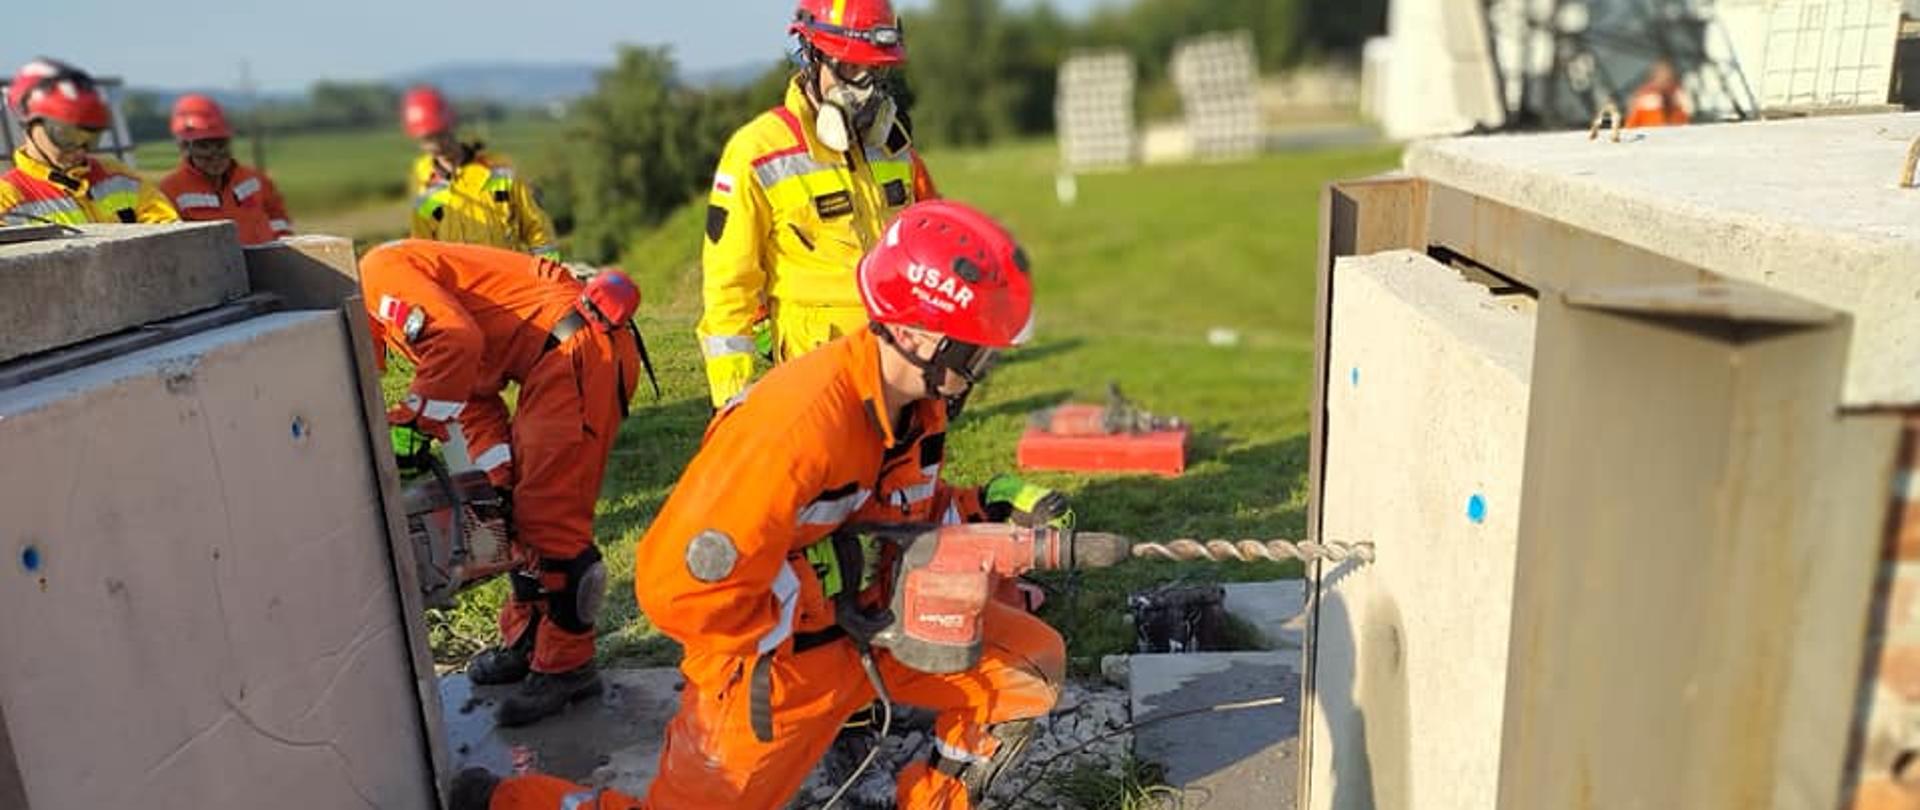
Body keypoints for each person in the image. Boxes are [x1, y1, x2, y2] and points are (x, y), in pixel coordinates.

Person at [458, 201, 1072, 810]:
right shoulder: (795, 427)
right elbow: (673, 588)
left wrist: (983, 514)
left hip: (872, 630)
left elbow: (902, 510)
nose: (983, 369)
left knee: (1030, 667)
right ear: (914, 334)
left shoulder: (917, 406)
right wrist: (830, 591)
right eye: (975, 352)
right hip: (772, 672)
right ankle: (505, 801)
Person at [361, 240, 640, 727]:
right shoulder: (404, 312)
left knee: (552, 525)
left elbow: (457, 342)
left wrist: (415, 422)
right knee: (516, 513)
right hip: (561, 354)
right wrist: (498, 480)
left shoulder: (377, 274)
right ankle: (531, 639)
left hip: (576, 350)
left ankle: (569, 665)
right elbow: (474, 392)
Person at [698, 0, 940, 409]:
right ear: (811, 56)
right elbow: (728, 292)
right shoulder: (757, 153)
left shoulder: (892, 144)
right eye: (849, 69)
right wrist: (733, 402)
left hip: (900, 368)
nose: (863, 88)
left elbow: (930, 240)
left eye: (875, 71)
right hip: (817, 380)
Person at [2, 58, 176, 226]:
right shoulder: (6, 199)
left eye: (91, 138)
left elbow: (171, 236)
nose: (80, 150)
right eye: (67, 136)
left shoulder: (121, 179)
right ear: (28, 124)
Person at [402, 86, 558, 257]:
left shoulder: (499, 170)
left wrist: (549, 267)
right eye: (427, 139)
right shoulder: (423, 183)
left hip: (507, 275)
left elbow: (535, 225)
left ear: (451, 127)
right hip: (459, 281)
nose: (435, 145)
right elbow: (423, 246)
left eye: (439, 135)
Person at [159, 94, 293, 245]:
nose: (215, 155)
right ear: (184, 147)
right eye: (203, 146)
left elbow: (278, 218)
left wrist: (281, 248)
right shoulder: (171, 191)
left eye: (220, 144)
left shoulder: (254, 180)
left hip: (265, 264)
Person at [1624, 59, 1691, 129]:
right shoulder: (1642, 98)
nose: (1665, 82)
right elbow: (1631, 127)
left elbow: (1684, 124)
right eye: (1662, 76)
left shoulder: (1678, 96)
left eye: (1668, 79)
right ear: (1654, 77)